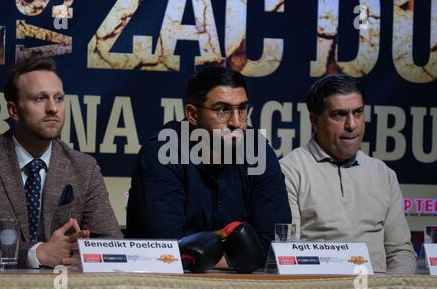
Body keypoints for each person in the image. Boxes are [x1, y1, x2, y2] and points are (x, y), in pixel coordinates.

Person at [126, 67, 291, 257]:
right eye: (223, 110)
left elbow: (275, 245)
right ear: (193, 115)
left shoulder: (258, 151)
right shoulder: (161, 153)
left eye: (242, 109)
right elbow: (165, 249)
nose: (236, 122)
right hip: (171, 284)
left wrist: (201, 248)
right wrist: (242, 253)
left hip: (247, 284)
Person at [0, 57, 122, 269]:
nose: (53, 108)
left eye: (58, 98)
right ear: (13, 110)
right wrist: (36, 253)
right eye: (40, 98)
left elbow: (111, 241)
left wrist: (86, 254)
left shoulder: (84, 168)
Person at [280, 74, 417, 274]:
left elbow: (400, 252)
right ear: (314, 121)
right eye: (339, 114)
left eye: (358, 113)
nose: (352, 125)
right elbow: (288, 254)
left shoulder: (383, 174)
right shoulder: (289, 171)